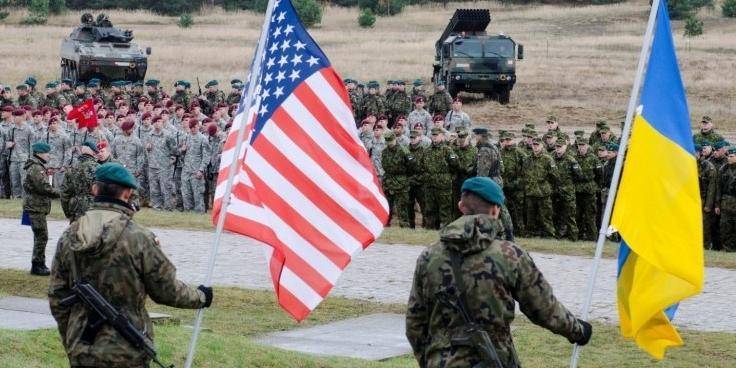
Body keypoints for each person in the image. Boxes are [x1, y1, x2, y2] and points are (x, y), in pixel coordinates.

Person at [406, 177, 592, 368]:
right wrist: (578, 331)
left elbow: (415, 323)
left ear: (461, 206)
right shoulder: (511, 255)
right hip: (494, 360)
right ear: (496, 210)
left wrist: (430, 360)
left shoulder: (428, 257)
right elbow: (544, 308)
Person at [49, 162, 214, 368]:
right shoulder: (138, 237)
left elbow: (57, 296)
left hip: (82, 344)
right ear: (127, 194)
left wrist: (71, 335)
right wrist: (200, 297)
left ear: (94, 189)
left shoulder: (70, 234)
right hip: (126, 350)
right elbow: (166, 290)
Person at [24, 142, 60, 276]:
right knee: (42, 236)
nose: (49, 155)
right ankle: (37, 265)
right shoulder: (36, 168)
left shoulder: (37, 167)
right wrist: (60, 194)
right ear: (39, 154)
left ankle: (39, 263)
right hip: (35, 207)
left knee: (40, 236)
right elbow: (43, 187)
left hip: (36, 206)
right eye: (47, 153)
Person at [60, 141, 99, 222]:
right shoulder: (99, 168)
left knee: (75, 233)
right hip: (93, 209)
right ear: (94, 153)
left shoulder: (71, 169)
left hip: (75, 209)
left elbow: (64, 193)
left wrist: (67, 212)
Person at [716, 148, 736, 252]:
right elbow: (718, 188)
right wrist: (717, 205)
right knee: (725, 226)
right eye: (728, 156)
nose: (729, 158)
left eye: (732, 156)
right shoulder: (723, 169)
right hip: (726, 202)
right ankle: (727, 248)